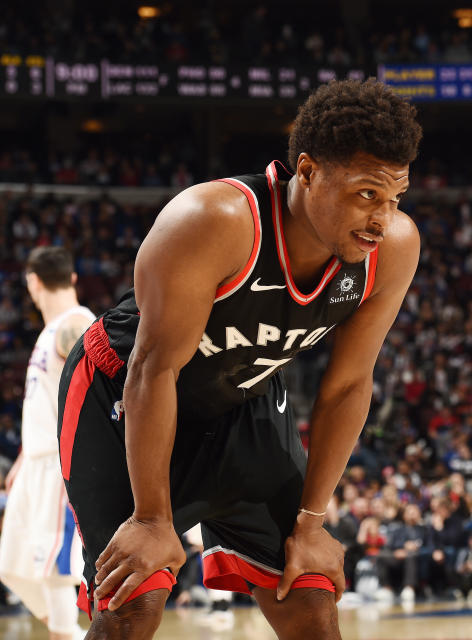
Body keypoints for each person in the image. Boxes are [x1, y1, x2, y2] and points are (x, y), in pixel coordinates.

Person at [57, 79, 422, 640]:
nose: (381, 218)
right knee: (132, 607)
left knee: (311, 604)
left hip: (246, 402)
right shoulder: (215, 219)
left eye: (394, 198)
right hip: (125, 395)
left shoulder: (392, 248)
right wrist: (153, 519)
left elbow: (349, 384)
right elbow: (152, 369)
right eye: (366, 194)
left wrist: (313, 522)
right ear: (308, 171)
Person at [0, 247, 94, 640]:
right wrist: (23, 457)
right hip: (35, 460)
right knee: (12, 564)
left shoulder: (77, 326)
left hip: (60, 462)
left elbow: (99, 397)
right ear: (72, 278)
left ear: (33, 282)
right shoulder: (52, 328)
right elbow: (44, 403)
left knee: (55, 568)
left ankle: (64, 630)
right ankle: (64, 629)